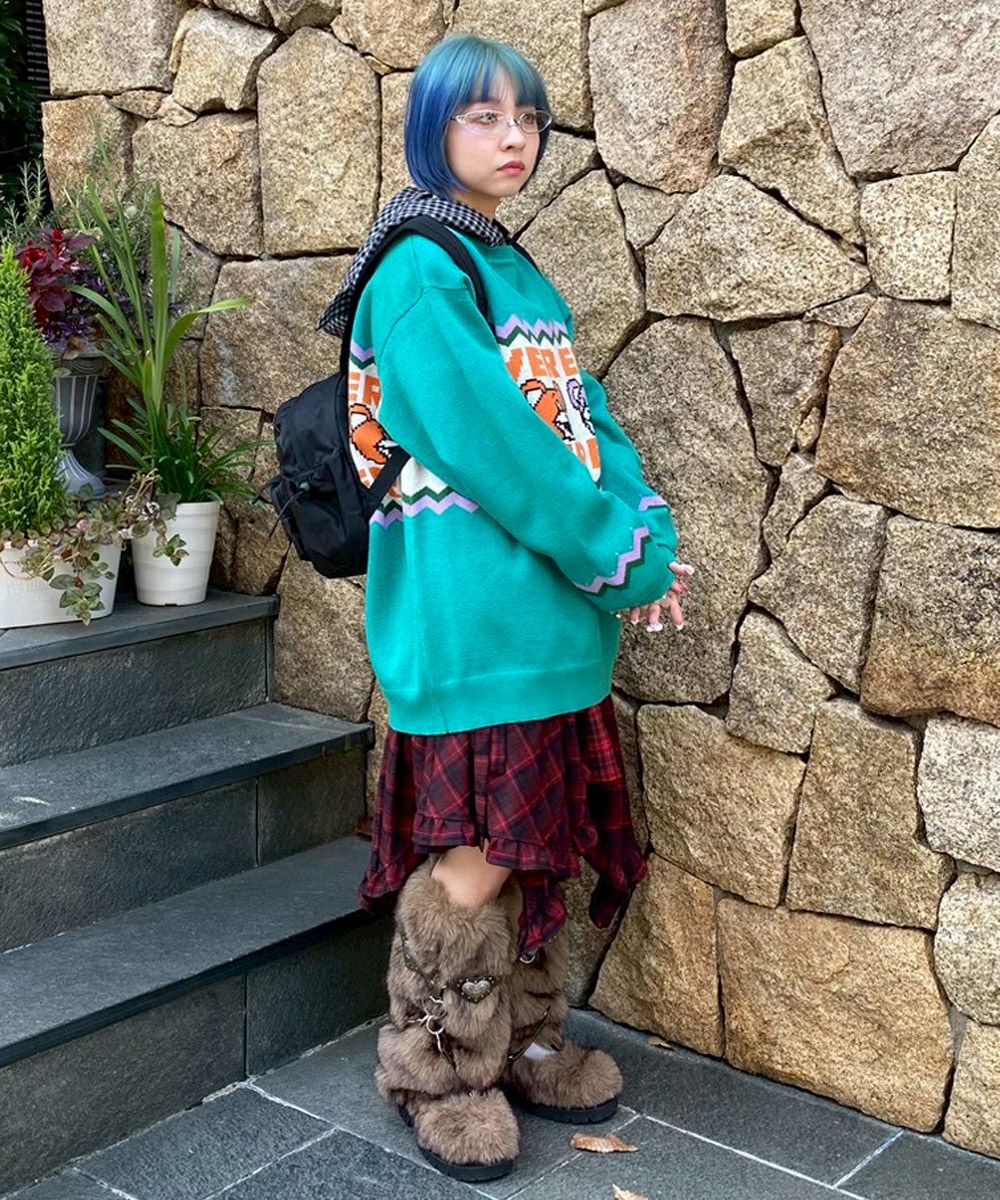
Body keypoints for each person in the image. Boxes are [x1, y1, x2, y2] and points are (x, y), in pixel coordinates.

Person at [316, 31, 693, 1185]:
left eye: (526, 116)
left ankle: (522, 1040)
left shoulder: (512, 268)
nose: (513, 136)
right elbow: (499, 451)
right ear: (432, 130)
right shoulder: (416, 271)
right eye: (482, 116)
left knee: (534, 853)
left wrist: (642, 533)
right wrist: (610, 551)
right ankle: (434, 1071)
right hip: (473, 631)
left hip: (546, 630)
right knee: (475, 862)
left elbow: (586, 421)